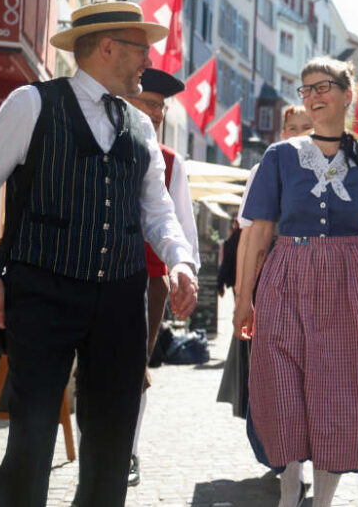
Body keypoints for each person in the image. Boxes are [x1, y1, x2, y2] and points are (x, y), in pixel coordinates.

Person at [0, 1, 199, 506]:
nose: (146, 64)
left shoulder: (142, 125)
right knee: (33, 433)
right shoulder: (32, 103)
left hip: (121, 296)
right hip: (41, 288)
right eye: (141, 51)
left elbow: (156, 209)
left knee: (111, 433)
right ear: (107, 48)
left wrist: (179, 259)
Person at [235, 58, 358, 507]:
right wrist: (242, 297)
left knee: (340, 391)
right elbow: (259, 231)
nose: (312, 96)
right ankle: (289, 492)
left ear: (348, 94)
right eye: (305, 89)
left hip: (349, 276)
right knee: (282, 384)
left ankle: (324, 501)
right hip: (285, 273)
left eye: (323, 87)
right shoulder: (280, 156)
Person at [121, 67, 200, 487]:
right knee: (92, 372)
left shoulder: (172, 161)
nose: (156, 113)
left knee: (135, 367)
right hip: (92, 274)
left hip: (149, 280)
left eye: (161, 107)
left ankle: (127, 451)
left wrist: (184, 274)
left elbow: (184, 227)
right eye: (148, 103)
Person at [216, 105, 314, 420]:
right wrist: (244, 296)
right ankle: (271, 437)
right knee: (267, 363)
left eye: (306, 128)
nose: (300, 135)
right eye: (294, 128)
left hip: (312, 276)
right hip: (268, 273)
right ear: (283, 133)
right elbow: (249, 235)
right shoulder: (266, 168)